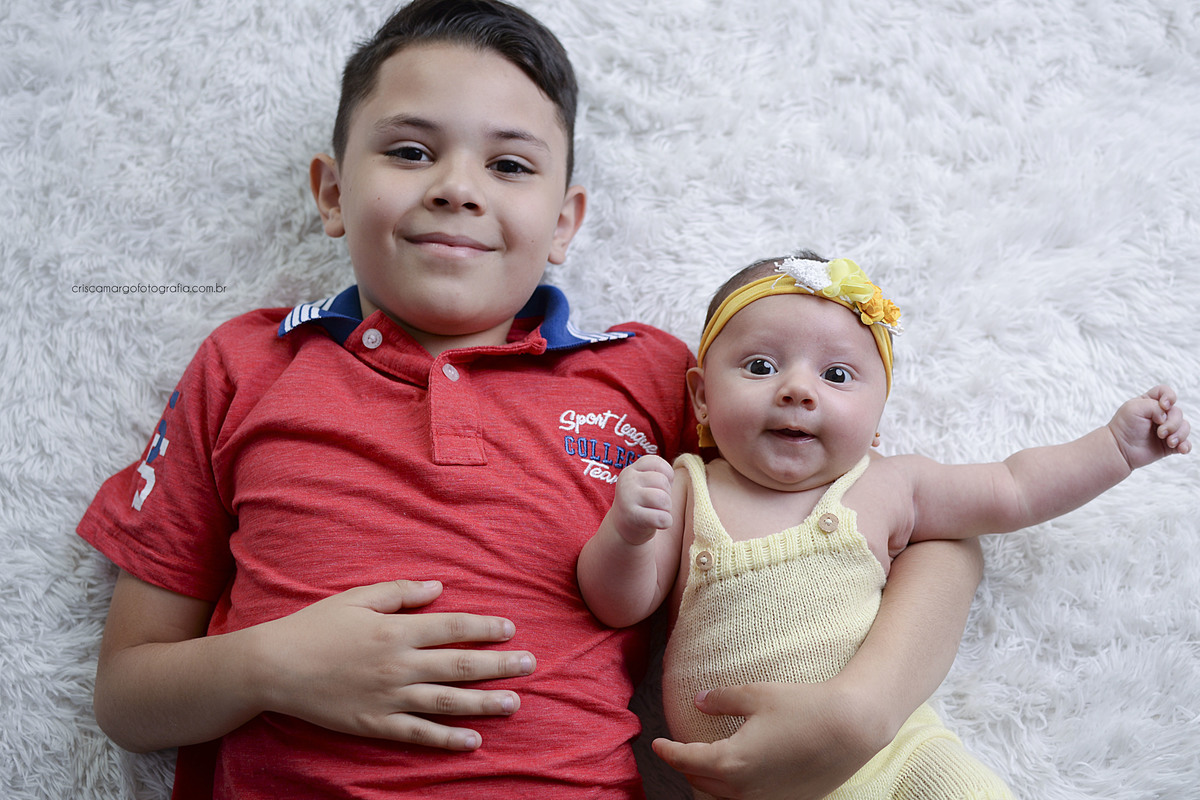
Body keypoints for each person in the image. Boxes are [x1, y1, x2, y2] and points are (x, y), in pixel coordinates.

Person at [77, 2, 985, 798]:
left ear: (563, 222)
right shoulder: (250, 364)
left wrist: (865, 709)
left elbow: (930, 531)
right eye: (410, 151)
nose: (457, 188)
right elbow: (127, 698)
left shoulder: (649, 375)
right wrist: (269, 665)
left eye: (510, 166)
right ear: (332, 193)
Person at [578, 252, 1191, 799]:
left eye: (836, 376)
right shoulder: (688, 487)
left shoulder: (891, 485)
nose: (797, 389)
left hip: (896, 759)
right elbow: (618, 604)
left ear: (877, 417)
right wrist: (628, 534)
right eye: (761, 365)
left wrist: (1114, 448)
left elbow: (1015, 488)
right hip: (745, 780)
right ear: (702, 398)